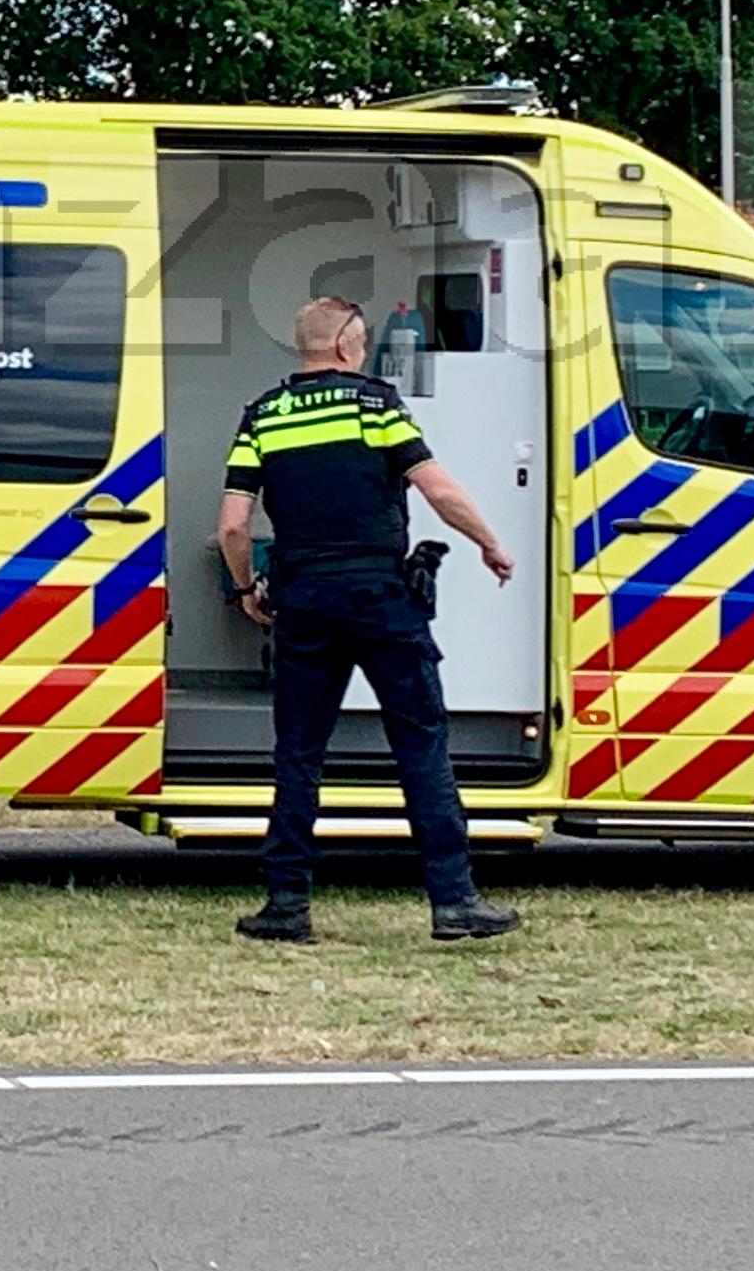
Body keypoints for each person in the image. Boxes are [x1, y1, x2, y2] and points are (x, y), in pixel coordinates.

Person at [215, 295, 523, 947]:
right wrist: (489, 543)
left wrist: (246, 588)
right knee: (420, 744)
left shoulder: (263, 417)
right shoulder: (374, 405)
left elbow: (234, 525)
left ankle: (287, 903)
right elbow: (437, 490)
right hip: (383, 598)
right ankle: (454, 900)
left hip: (303, 600)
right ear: (349, 346)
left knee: (299, 752)